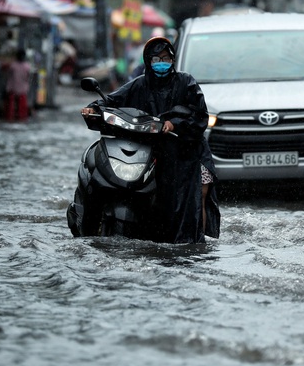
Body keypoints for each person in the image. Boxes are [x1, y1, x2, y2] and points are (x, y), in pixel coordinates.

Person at [80, 36, 220, 243]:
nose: (161, 63)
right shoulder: (139, 85)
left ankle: (197, 242)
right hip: (157, 151)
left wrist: (174, 123)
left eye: (165, 58)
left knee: (195, 199)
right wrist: (94, 108)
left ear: (172, 59)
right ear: (148, 61)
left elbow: (199, 115)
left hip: (189, 152)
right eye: (156, 59)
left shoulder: (185, 81)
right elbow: (113, 100)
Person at [4, 48, 31, 121]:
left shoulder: (13, 66)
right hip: (22, 89)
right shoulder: (27, 66)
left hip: (12, 88)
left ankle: (10, 119)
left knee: (10, 108)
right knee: (22, 110)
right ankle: (21, 119)